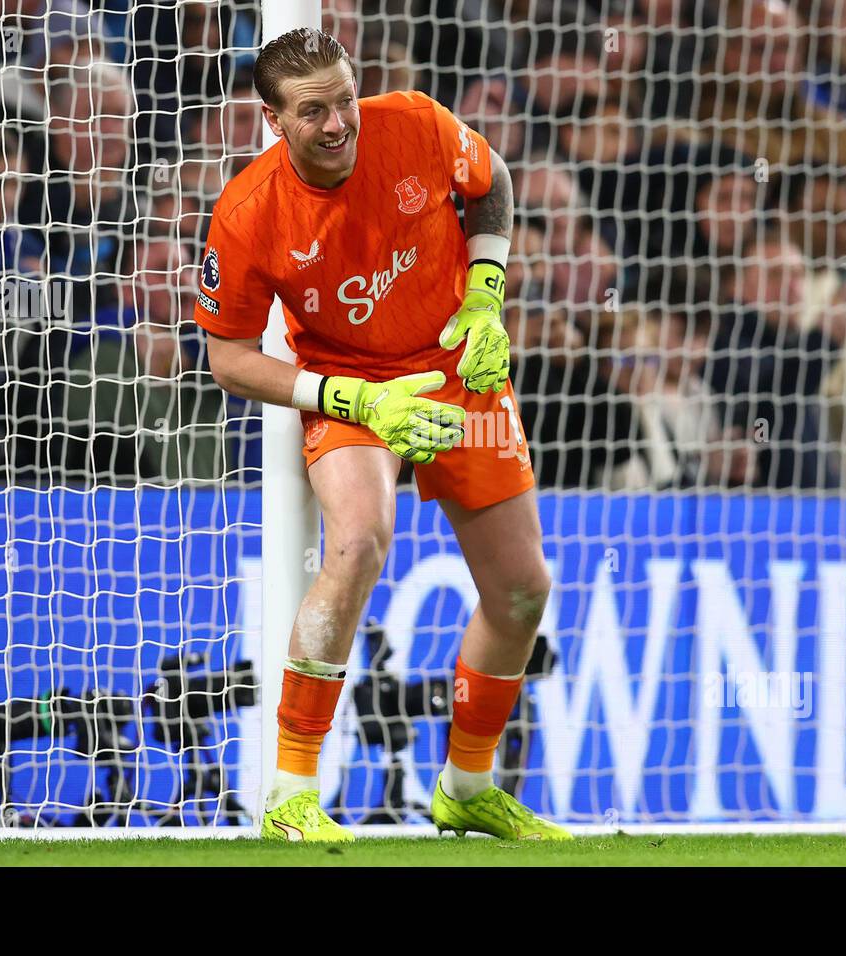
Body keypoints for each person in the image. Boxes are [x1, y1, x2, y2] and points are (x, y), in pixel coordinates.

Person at [192, 28, 567, 842]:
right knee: (359, 542)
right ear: (272, 119)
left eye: (344, 100)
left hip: (460, 366)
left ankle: (467, 786)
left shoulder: (416, 124)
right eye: (313, 111)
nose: (337, 124)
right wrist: (346, 399)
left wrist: (486, 291)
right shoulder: (249, 213)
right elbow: (227, 358)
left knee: (522, 589)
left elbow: (490, 179)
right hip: (349, 387)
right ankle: (291, 793)